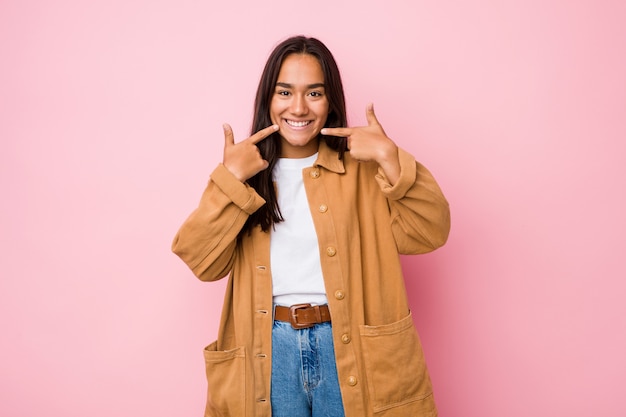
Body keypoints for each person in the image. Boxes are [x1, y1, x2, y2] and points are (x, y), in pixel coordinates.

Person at [172, 35, 451, 417]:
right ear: (268, 99)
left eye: (314, 93)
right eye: (284, 92)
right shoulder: (245, 176)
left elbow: (430, 230)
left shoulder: (363, 171)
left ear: (331, 100)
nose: (298, 107)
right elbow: (203, 262)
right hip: (270, 353)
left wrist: (390, 157)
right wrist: (229, 179)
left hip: (350, 348)